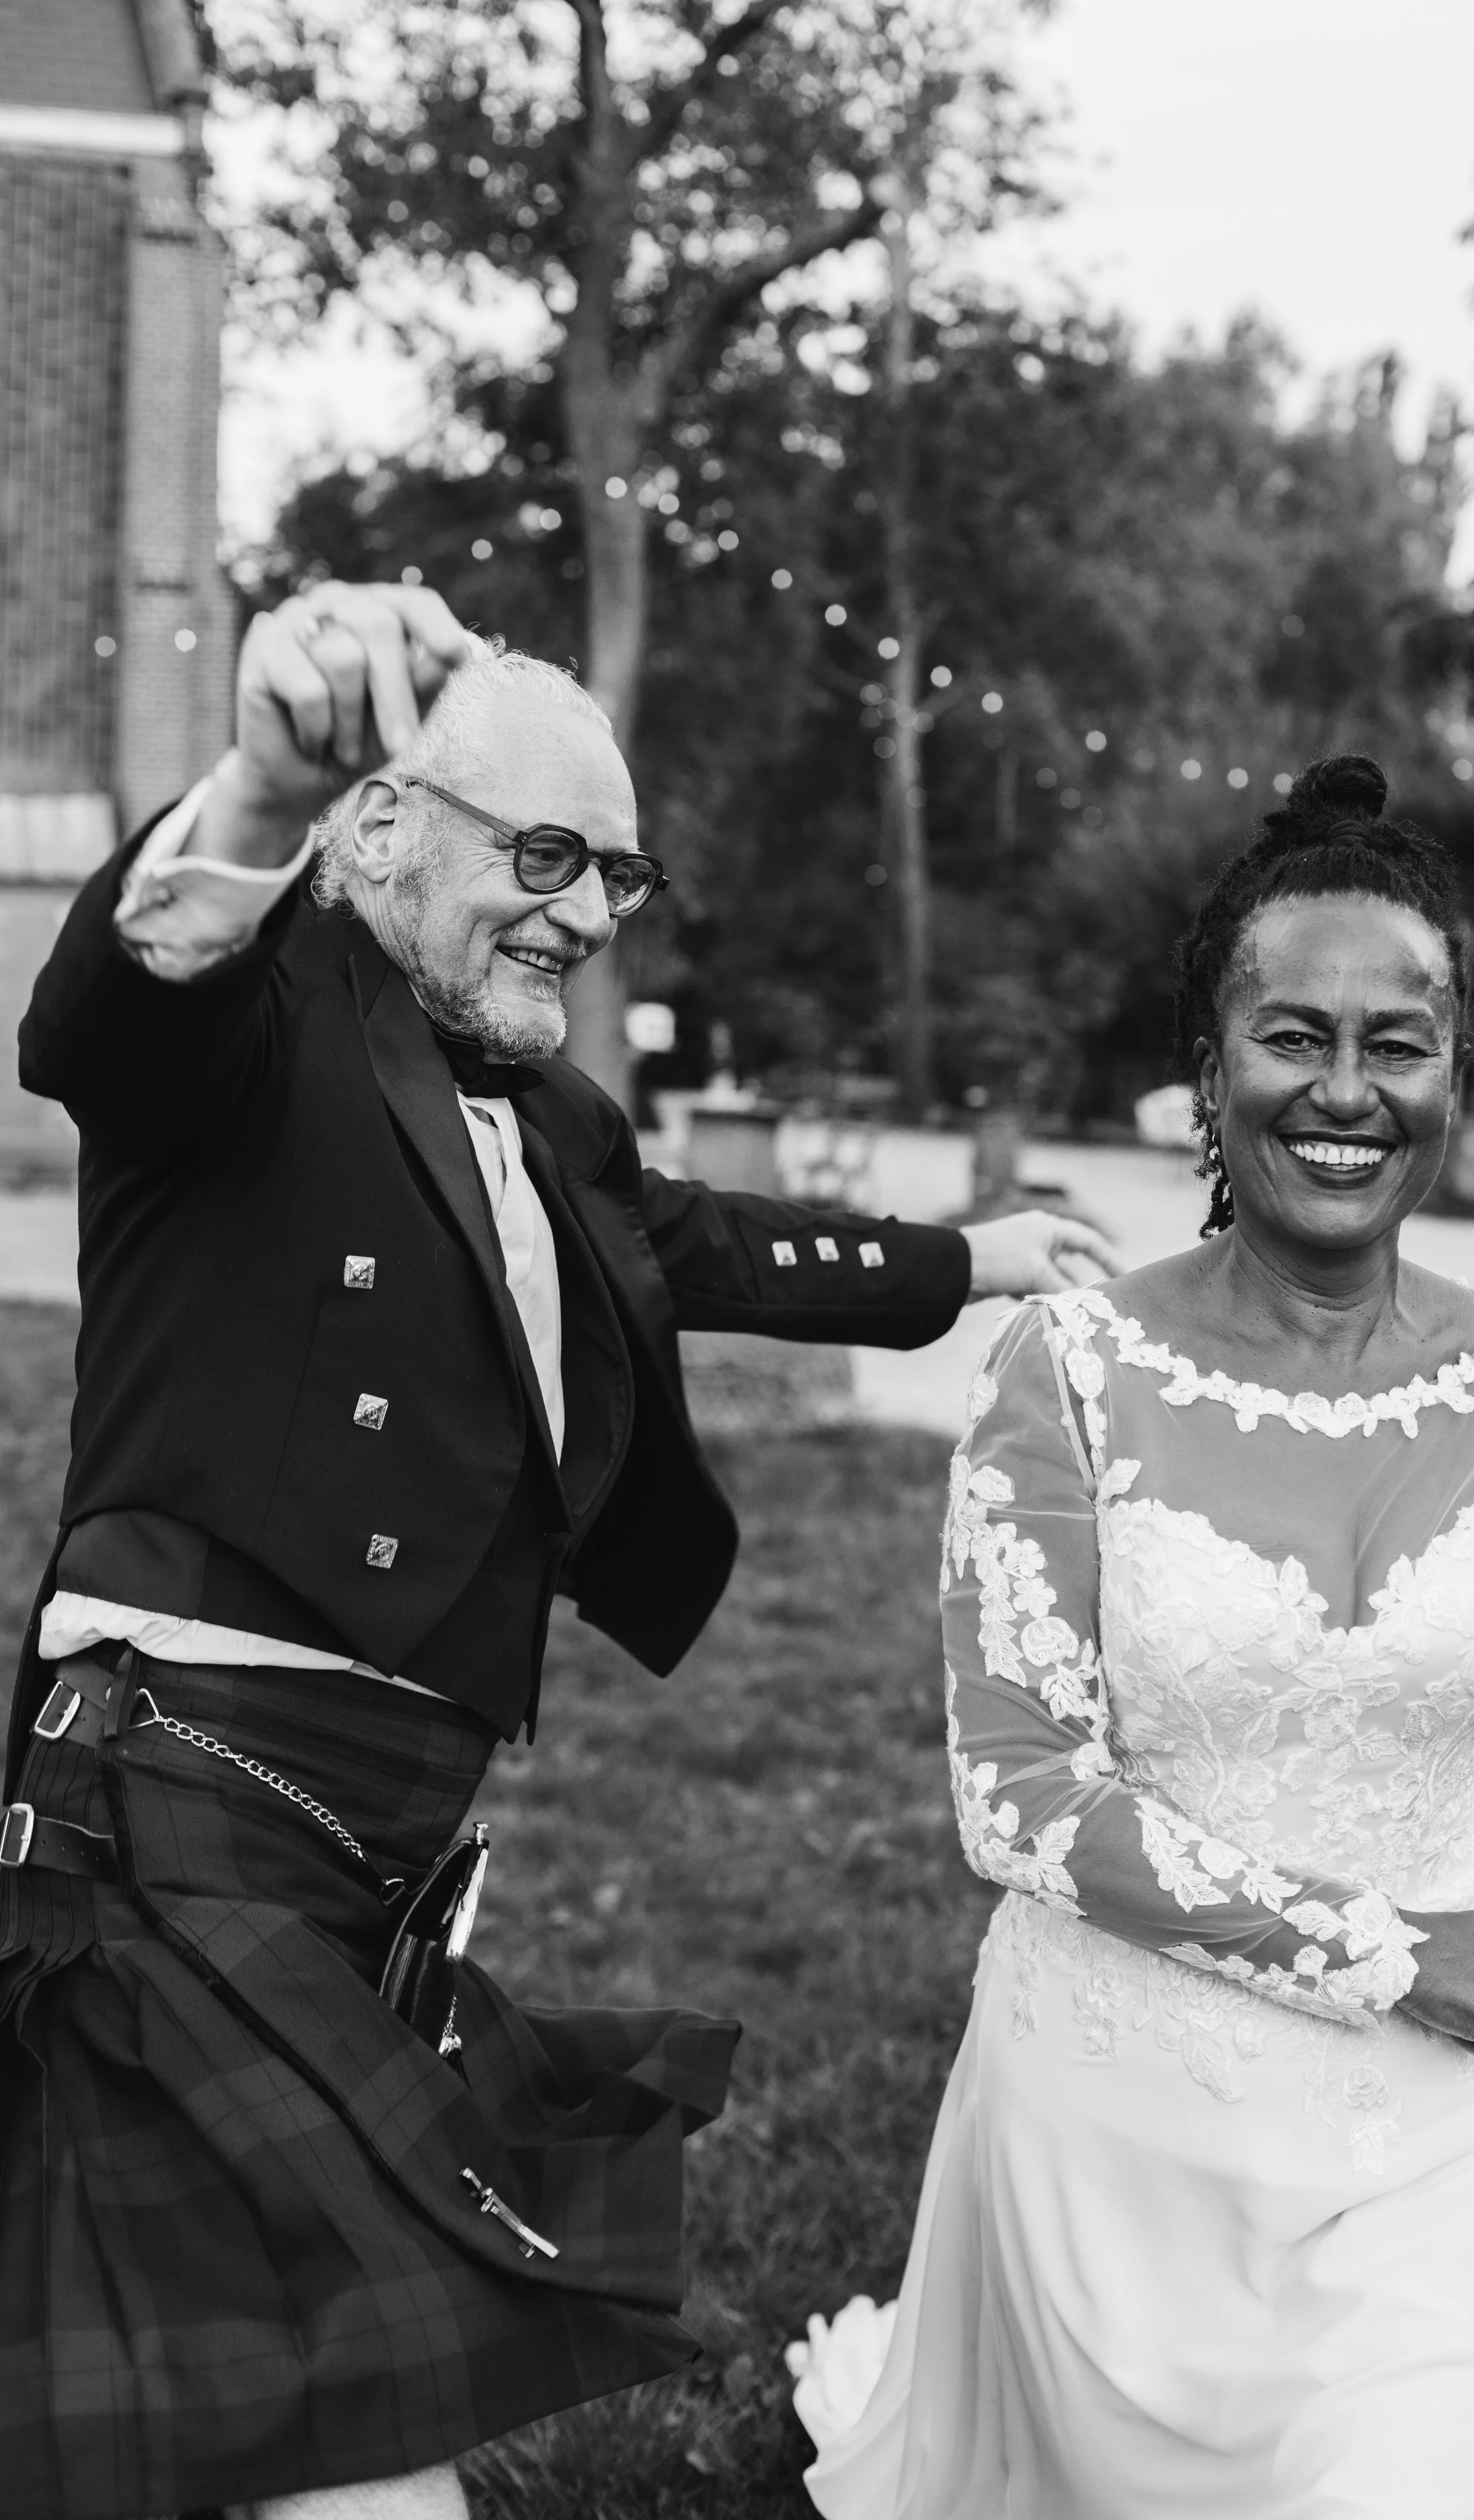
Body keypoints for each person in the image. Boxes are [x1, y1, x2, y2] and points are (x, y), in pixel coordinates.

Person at [0, 580, 1117, 2520]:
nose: (590, 910)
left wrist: (974, 1258)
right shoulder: (258, 1018)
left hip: (367, 1851)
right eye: (542, 855)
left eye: (618, 872)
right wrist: (254, 789)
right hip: (176, 1817)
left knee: (236, 2416)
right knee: (347, 2435)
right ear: (378, 827)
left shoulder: (548, 1119)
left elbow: (707, 1240)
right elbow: (111, 1005)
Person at [792, 755, 1474, 2520]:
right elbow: (1020, 1798)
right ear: (1210, 1071)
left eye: (1397, 1042)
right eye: (1291, 1037)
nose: (1344, 1091)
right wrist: (1382, 1954)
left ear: (1451, 1073)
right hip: (1128, 2117)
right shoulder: (1068, 1375)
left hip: (1463, 2102)